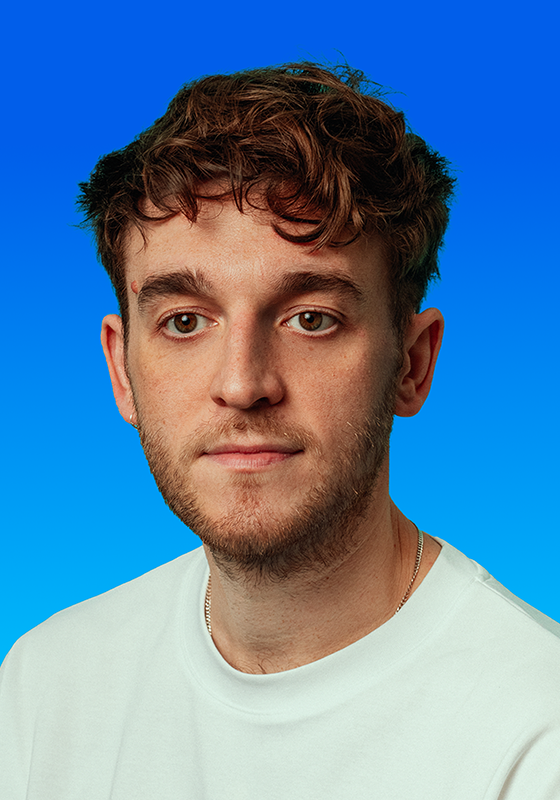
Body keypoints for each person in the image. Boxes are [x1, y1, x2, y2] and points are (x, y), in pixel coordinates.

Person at [1, 62, 559, 799]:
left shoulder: (535, 734)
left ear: (412, 364)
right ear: (122, 370)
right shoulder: (43, 686)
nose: (242, 384)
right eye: (185, 322)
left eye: (311, 318)